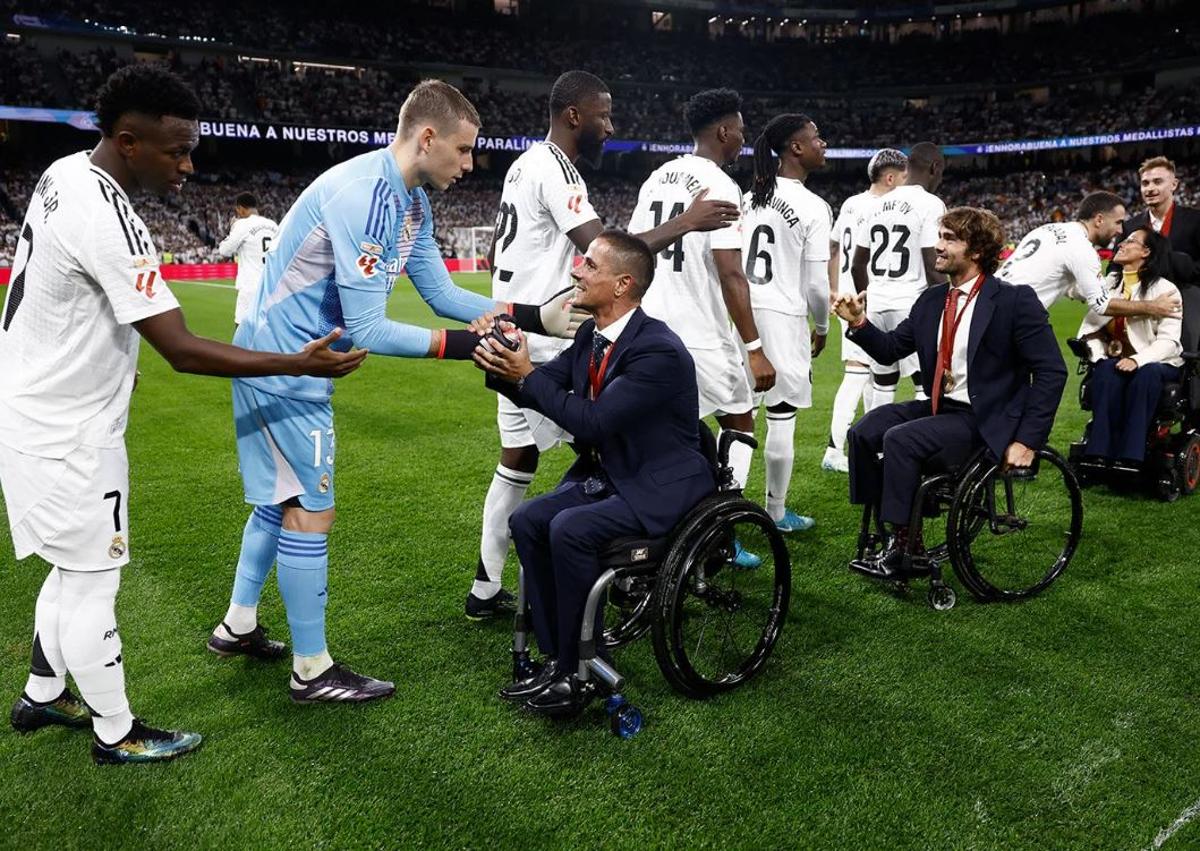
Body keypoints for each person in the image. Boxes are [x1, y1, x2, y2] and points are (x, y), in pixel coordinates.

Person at [0, 65, 366, 765]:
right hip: (69, 432)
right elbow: (182, 351)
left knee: (68, 569)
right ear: (129, 141)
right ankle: (118, 731)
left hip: (26, 408)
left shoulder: (63, 171)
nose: (189, 165)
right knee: (94, 581)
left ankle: (44, 688)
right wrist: (299, 363)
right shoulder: (111, 218)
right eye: (176, 150)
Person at [206, 80, 580, 705]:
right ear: (426, 137)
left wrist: (535, 317)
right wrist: (472, 349)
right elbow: (368, 329)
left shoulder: (410, 203)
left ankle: (237, 625)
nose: (469, 166)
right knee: (311, 508)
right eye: (462, 151)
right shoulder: (364, 194)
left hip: (279, 356)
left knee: (277, 501)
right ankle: (311, 669)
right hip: (291, 365)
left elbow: (443, 296)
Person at [470, 70, 738, 619]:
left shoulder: (525, 162)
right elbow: (606, 252)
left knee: (516, 464)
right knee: (636, 451)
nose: (609, 128)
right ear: (574, 115)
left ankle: (484, 588)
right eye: (603, 116)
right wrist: (686, 221)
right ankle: (655, 563)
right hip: (547, 344)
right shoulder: (558, 169)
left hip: (517, 334)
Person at [474, 230, 714, 717]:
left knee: (569, 528)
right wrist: (502, 358)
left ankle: (581, 667)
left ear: (622, 284)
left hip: (659, 482)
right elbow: (547, 385)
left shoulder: (658, 351)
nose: (575, 270)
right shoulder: (591, 334)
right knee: (527, 521)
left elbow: (594, 422)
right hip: (615, 473)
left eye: (589, 266)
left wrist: (525, 376)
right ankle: (558, 654)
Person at [834, 207, 1067, 572]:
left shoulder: (1014, 300)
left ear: (976, 251)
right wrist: (859, 323)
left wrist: (1028, 441)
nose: (937, 246)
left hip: (984, 419)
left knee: (900, 439)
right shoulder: (931, 301)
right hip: (941, 408)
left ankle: (905, 546)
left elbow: (1052, 371)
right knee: (863, 431)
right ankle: (888, 523)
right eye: (939, 237)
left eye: (949, 239)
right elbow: (893, 348)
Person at [628, 88, 775, 568]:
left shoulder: (657, 177)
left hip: (649, 326)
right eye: (741, 130)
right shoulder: (720, 184)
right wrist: (754, 347)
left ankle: (674, 522)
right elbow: (731, 272)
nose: (744, 138)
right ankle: (723, 531)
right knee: (740, 420)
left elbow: (634, 247)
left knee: (676, 430)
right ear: (724, 131)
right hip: (699, 332)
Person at [741, 113, 831, 532]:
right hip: (782, 315)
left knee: (739, 417)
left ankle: (725, 515)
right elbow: (816, 284)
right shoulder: (813, 206)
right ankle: (775, 513)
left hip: (740, 313)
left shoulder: (749, 196)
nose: (823, 144)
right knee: (780, 414)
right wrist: (824, 327)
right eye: (816, 138)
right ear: (796, 148)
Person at [823, 148, 908, 473]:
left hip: (847, 296)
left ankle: (868, 446)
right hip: (870, 299)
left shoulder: (850, 204)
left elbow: (832, 249)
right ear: (890, 177)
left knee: (873, 377)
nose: (905, 184)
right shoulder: (884, 207)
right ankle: (835, 450)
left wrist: (833, 288)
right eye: (902, 178)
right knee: (861, 374)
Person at [850, 141, 947, 411]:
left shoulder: (876, 204)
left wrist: (868, 302)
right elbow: (933, 266)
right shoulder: (931, 203)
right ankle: (921, 446)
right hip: (911, 305)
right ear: (935, 167)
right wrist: (948, 305)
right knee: (923, 383)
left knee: (882, 382)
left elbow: (858, 265)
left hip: (878, 303)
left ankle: (875, 449)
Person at [1077, 227, 1183, 462]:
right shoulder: (1109, 284)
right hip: (1118, 359)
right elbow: (1091, 328)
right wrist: (1099, 354)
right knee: (1104, 370)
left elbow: (1168, 342)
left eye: (1130, 241)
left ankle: (1132, 454)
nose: (1120, 244)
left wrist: (1136, 360)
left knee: (1146, 375)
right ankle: (1099, 452)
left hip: (1158, 362)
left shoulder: (1165, 289)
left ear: (1146, 251)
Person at [999, 190, 1181, 320]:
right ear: (1099, 219)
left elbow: (1066, 284)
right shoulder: (1082, 249)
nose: (1120, 230)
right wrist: (1152, 307)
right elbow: (1102, 306)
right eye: (1118, 222)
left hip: (988, 297)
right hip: (1008, 314)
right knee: (1051, 370)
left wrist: (1096, 288)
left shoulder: (1047, 228)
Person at [1122, 157, 1200, 350]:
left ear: (1174, 184)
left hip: (1183, 304)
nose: (1150, 188)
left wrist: (1180, 266)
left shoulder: (1195, 221)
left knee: (1184, 359)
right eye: (1145, 183)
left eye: (1158, 181)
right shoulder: (1130, 226)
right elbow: (1117, 268)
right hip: (1141, 307)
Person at [216, 192, 279, 328]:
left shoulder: (241, 224)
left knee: (242, 331)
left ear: (240, 208)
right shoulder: (273, 225)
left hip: (251, 286)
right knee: (267, 330)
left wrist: (232, 227)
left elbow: (224, 251)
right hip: (272, 287)